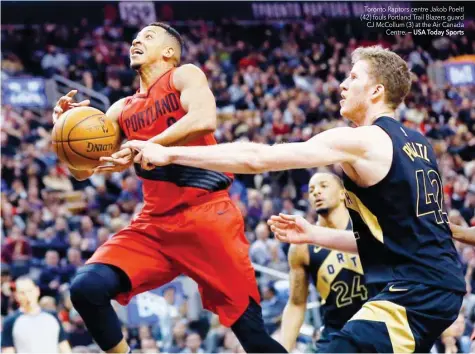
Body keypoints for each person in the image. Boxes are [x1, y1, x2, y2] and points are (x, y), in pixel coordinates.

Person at [124, 46, 465, 353]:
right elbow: (396, 238)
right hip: (435, 286)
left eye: (353, 77)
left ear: (377, 91)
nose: (342, 85)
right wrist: (315, 235)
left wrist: (171, 154)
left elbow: (258, 158)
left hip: (415, 292)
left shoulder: (363, 141)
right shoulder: (419, 143)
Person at [51, 22, 286, 354]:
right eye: (135, 37)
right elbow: (84, 172)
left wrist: (145, 146)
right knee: (86, 288)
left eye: (148, 37)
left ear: (169, 52)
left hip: (207, 216)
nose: (136, 40)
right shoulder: (121, 109)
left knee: (252, 335)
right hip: (155, 224)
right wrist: (61, 132)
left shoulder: (184, 76)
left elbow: (204, 119)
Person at [280, 172, 379, 352]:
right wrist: (282, 349)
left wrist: (448, 336)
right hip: (336, 335)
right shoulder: (301, 247)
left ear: (343, 193)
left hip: (380, 328)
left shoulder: (370, 226)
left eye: (324, 186)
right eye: (311, 190)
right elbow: (296, 303)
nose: (317, 192)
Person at [1, 276, 71, 353]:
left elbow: (63, 345)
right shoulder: (10, 321)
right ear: (16, 295)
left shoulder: (52, 316)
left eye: (29, 291)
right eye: (22, 293)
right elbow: (8, 350)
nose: (27, 296)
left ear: (37, 291)